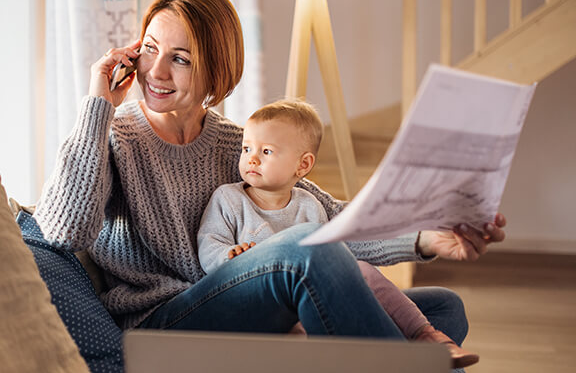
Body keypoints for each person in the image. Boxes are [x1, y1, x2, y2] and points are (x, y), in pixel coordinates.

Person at [33, 0, 506, 359]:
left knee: (444, 307)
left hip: (247, 306)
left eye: (180, 58)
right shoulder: (115, 136)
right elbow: (61, 231)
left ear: (216, 71)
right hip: (164, 324)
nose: (155, 71)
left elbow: (331, 221)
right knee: (302, 251)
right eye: (150, 48)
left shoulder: (238, 143)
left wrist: (425, 237)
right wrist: (97, 104)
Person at [197, 99, 480, 368]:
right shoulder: (228, 199)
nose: (252, 159)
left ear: (303, 165)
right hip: (262, 304)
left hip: (310, 303)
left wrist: (425, 236)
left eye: (266, 151)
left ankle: (426, 334)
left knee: (423, 296)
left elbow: (337, 250)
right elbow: (209, 243)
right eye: (246, 149)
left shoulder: (309, 205)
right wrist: (227, 256)